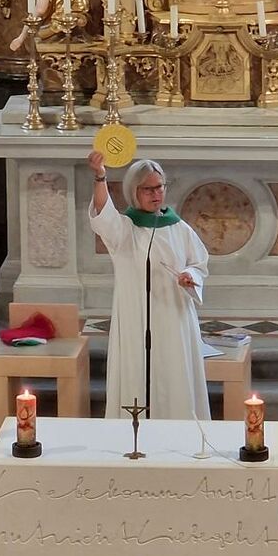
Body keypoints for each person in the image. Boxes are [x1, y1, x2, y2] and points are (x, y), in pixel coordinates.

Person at [87, 151, 211, 420]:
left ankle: (178, 433)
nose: (156, 194)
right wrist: (100, 176)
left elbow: (199, 264)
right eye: (148, 189)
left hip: (174, 316)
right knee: (138, 375)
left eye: (160, 187)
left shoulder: (179, 228)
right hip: (136, 317)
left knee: (175, 376)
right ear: (134, 191)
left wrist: (190, 275)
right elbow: (103, 214)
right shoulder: (124, 229)